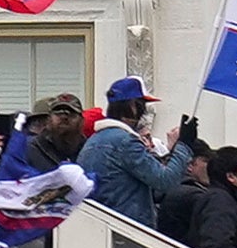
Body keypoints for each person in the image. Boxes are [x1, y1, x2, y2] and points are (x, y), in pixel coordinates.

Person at [79, 76, 197, 221]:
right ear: (132, 106)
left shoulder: (92, 142)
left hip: (102, 225)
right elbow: (165, 181)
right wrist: (184, 144)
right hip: (127, 230)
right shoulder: (125, 141)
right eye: (142, 105)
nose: (144, 112)